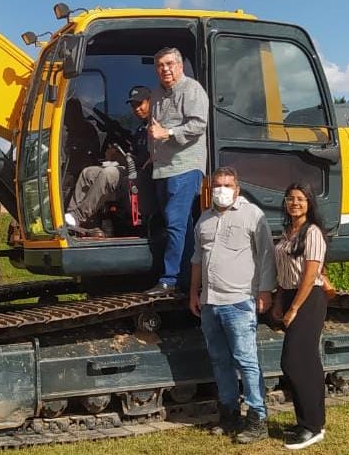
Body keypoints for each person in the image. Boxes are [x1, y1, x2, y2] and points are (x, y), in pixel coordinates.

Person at [189, 166, 276, 444]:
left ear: (237, 188)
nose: (222, 190)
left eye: (227, 185)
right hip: (209, 302)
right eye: (217, 185)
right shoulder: (204, 219)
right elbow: (197, 260)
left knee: (247, 361)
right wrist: (194, 293)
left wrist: (265, 290)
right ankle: (229, 414)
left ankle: (257, 418)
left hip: (239, 301)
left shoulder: (252, 215)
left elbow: (266, 254)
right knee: (220, 361)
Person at [145, 47, 208, 297]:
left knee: (175, 222)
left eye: (170, 63)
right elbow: (154, 129)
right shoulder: (157, 95)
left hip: (185, 166)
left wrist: (168, 134)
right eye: (160, 65)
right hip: (162, 169)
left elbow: (199, 124)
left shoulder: (192, 89)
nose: (165, 69)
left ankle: (169, 280)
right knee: (181, 225)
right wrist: (153, 155)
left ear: (180, 65)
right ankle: (189, 278)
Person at [271, 183, 328, 450]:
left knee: (293, 361)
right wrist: (280, 303)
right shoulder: (287, 233)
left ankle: (311, 427)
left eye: (301, 199)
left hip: (308, 298)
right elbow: (284, 275)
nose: (295, 203)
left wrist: (294, 308)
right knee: (309, 364)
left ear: (309, 203)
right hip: (292, 295)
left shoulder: (312, 232)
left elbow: (309, 274)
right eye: (291, 198)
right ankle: (312, 422)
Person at [65, 86, 153, 235]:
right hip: (132, 170)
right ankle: (71, 217)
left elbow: (149, 159)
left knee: (109, 174)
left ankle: (79, 215)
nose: (136, 109)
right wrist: (116, 157)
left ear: (151, 102)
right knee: (89, 172)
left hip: (145, 175)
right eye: (133, 106)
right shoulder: (140, 130)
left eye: (140, 104)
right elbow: (132, 157)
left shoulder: (156, 126)